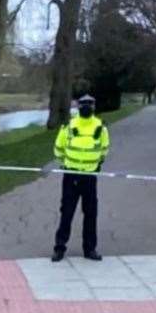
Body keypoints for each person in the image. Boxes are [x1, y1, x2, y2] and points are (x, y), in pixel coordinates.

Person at [51, 95, 110, 262]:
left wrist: (97, 165)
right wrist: (65, 164)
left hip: (90, 176)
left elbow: (104, 148)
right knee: (67, 213)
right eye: (84, 104)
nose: (86, 107)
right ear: (78, 107)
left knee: (91, 214)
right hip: (71, 175)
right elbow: (58, 147)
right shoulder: (69, 126)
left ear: (93, 107)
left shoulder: (101, 127)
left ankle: (90, 249)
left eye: (89, 104)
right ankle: (59, 248)